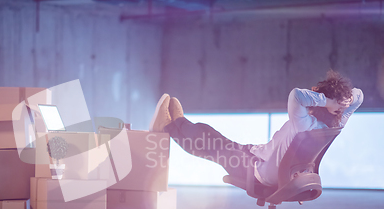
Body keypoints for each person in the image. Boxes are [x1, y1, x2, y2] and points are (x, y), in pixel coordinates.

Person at [149, 70, 364, 187]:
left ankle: (168, 126)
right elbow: (359, 95)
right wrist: (341, 102)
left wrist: (327, 101)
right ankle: (178, 125)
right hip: (258, 157)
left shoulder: (305, 124)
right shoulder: (336, 123)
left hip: (256, 172)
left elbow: (296, 95)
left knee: (210, 142)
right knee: (213, 138)